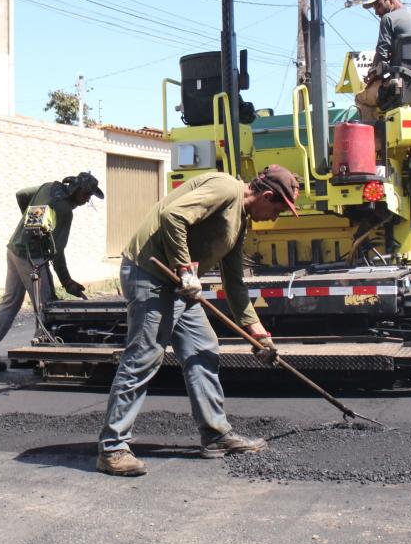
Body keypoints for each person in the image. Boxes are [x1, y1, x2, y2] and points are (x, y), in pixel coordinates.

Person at [96, 164, 301, 477]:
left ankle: (215, 435)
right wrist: (184, 269)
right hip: (151, 275)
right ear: (267, 195)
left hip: (179, 285)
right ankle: (112, 448)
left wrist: (258, 334)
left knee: (203, 348)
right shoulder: (226, 188)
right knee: (143, 357)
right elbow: (173, 216)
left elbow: (234, 283)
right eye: (278, 210)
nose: (275, 218)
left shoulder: (240, 221)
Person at [0, 171, 104, 372]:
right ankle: (41, 354)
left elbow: (21, 195)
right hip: (32, 257)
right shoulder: (64, 210)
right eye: (86, 195)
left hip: (15, 249)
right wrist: (67, 282)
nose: (86, 200)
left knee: (11, 301)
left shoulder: (47, 187)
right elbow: (57, 252)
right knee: (46, 305)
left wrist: (28, 221)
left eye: (89, 197)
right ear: (76, 189)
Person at [354, 0, 411, 123]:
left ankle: (375, 136)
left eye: (378, 5)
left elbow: (382, 56)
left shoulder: (388, 19)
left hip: (403, 85)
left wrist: (372, 74)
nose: (376, 12)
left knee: (361, 98)